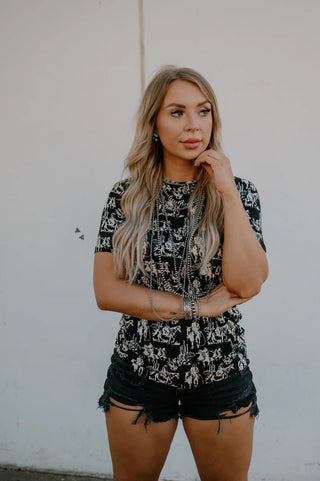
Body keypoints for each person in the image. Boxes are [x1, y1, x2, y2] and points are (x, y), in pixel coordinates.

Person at [93, 66, 268, 481]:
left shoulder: (239, 191)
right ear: (153, 123)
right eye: (177, 112)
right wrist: (198, 307)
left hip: (219, 371)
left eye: (203, 111)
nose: (194, 125)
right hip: (140, 368)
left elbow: (248, 283)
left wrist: (226, 191)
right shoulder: (127, 197)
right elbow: (106, 291)